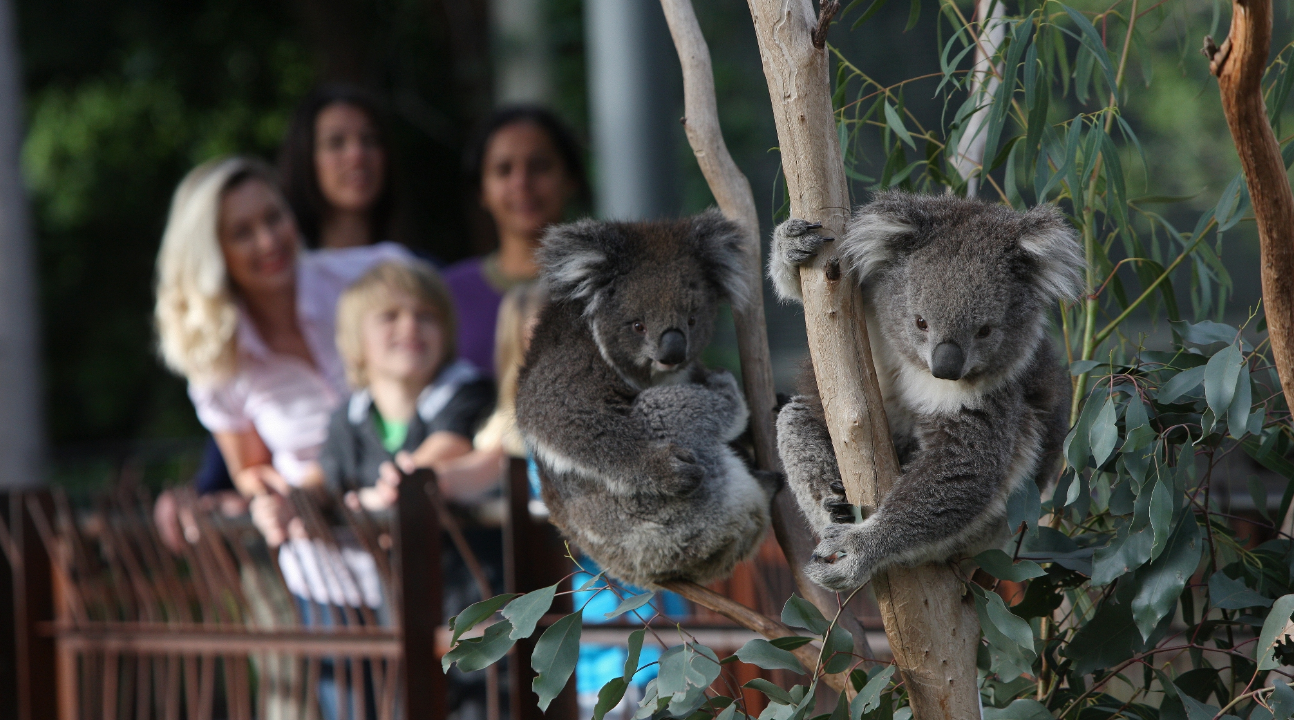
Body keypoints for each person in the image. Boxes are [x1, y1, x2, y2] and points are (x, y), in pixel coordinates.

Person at [318, 260, 494, 507]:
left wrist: (382, 497)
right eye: (390, 316)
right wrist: (293, 500)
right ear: (354, 338)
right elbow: (324, 479)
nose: (410, 326)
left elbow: (448, 446)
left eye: (426, 315)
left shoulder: (470, 391)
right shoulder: (346, 418)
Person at [444, 106, 587, 377]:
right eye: (503, 169)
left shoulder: (601, 288)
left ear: (570, 179)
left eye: (539, 166)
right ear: (482, 190)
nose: (521, 182)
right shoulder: (449, 294)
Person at [279, 85, 396, 249]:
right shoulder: (289, 272)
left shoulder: (418, 269)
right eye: (336, 142)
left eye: (369, 139)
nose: (357, 155)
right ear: (304, 157)